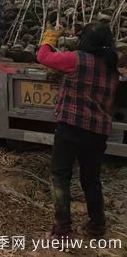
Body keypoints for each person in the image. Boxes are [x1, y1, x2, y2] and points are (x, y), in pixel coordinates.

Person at [37, 22, 119, 239]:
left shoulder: (75, 59)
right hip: (98, 132)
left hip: (71, 127)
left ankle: (62, 230)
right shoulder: (112, 69)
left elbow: (43, 57)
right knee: (91, 179)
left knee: (60, 176)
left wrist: (50, 36)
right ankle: (97, 226)